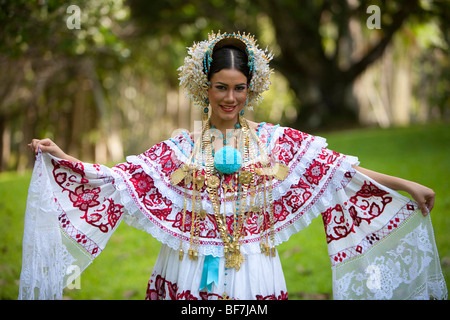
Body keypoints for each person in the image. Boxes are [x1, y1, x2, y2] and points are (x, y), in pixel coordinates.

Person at [20, 31, 447, 300]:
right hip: (186, 268)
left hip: (253, 267)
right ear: (205, 88)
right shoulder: (181, 148)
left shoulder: (273, 142)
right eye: (221, 88)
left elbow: (337, 171)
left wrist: (407, 184)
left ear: (250, 89)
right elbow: (117, 181)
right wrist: (65, 159)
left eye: (239, 89)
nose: (229, 98)